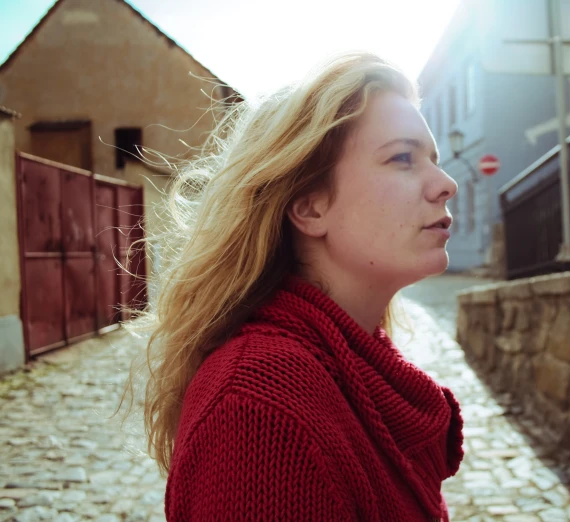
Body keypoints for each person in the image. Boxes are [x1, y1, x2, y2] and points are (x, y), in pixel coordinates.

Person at [133, 51, 464, 521]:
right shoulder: (258, 409)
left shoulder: (354, 366)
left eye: (434, 159)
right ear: (309, 208)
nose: (445, 183)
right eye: (403, 158)